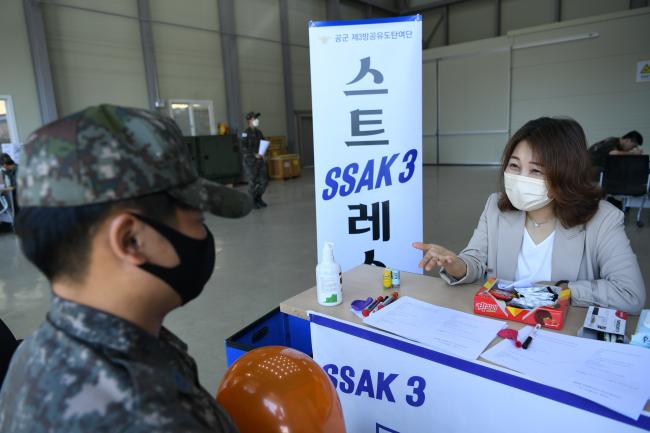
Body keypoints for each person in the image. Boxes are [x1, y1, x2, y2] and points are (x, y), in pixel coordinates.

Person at [0, 104, 253, 432]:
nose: (203, 237)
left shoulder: (33, 354)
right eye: (198, 221)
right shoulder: (150, 416)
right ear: (130, 240)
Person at [413, 117, 646, 314]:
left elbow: (630, 294)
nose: (520, 178)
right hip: (502, 325)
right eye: (514, 166)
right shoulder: (496, 206)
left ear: (566, 174)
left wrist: (560, 290)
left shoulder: (602, 219)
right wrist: (457, 265)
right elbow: (475, 260)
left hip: (561, 335)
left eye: (535, 170)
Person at [240, 111, 269, 209]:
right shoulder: (245, 133)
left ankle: (258, 198)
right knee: (252, 182)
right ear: (249, 121)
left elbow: (263, 143)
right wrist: (253, 154)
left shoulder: (259, 132)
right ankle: (252, 202)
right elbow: (242, 147)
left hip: (260, 160)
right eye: (255, 118)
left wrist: (264, 154)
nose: (257, 120)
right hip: (250, 162)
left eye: (257, 118)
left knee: (264, 181)